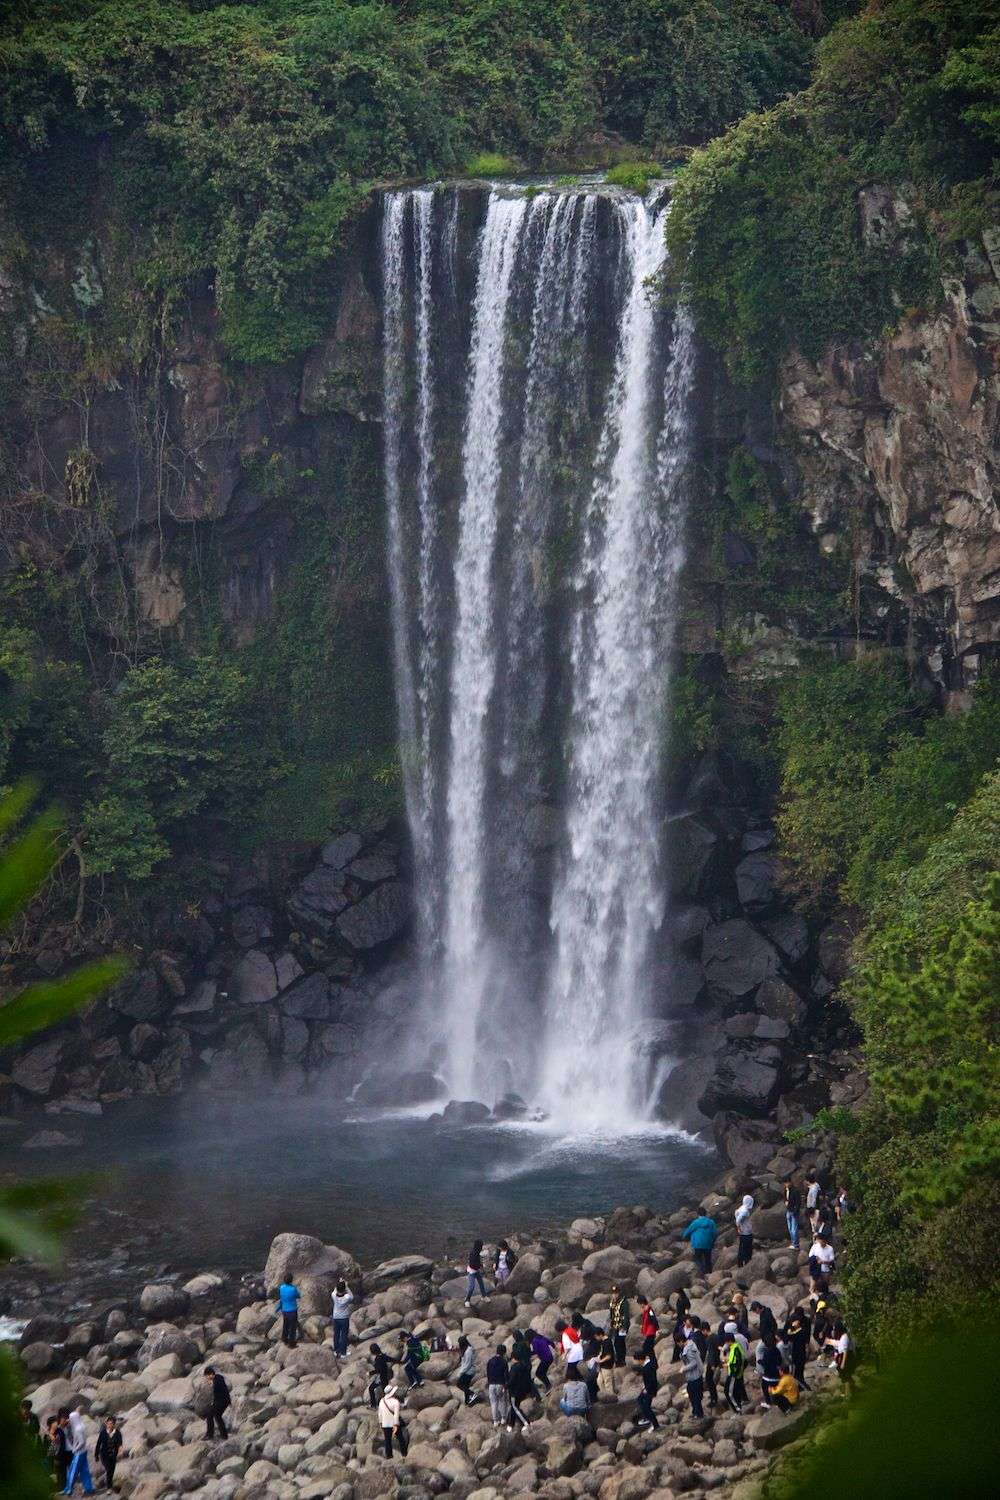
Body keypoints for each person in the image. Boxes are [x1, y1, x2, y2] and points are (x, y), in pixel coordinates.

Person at [63, 1406, 94, 1496]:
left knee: (73, 1471)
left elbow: (81, 1442)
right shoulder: (81, 1426)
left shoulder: (77, 1429)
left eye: (70, 1419)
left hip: (79, 1453)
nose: (69, 1420)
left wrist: (75, 1449)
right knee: (85, 1471)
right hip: (83, 1452)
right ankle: (88, 1488)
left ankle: (69, 1489)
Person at [559, 1365, 595, 1432]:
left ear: (568, 1377)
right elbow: (587, 1398)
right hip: (583, 1409)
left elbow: (565, 1398)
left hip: (571, 1410)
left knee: (562, 1401)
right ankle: (582, 1418)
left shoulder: (566, 1386)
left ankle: (570, 1418)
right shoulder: (584, 1384)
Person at [680, 1325, 705, 1418]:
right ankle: (696, 1412)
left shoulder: (689, 1349)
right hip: (694, 1376)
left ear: (681, 1341)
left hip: (694, 1376)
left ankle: (698, 1414)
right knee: (692, 1394)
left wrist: (684, 1368)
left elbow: (693, 1363)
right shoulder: (691, 1344)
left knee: (695, 1397)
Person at [783, 1306, 812, 1388]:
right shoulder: (791, 1319)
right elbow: (786, 1333)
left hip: (801, 1344)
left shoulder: (806, 1320)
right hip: (793, 1345)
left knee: (800, 1364)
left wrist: (807, 1343)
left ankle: (800, 1380)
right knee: (794, 1365)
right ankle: (796, 1382)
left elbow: (807, 1333)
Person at [723, 1324, 748, 1412]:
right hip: (735, 1372)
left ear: (729, 1341)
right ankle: (741, 1403)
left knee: (729, 1392)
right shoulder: (736, 1346)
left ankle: (738, 1409)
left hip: (734, 1374)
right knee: (736, 1389)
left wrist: (728, 1365)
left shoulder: (735, 1349)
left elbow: (737, 1362)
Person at [756, 1334, 785, 1408]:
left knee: (764, 1387)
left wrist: (759, 1361)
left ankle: (768, 1402)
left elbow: (765, 1363)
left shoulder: (767, 1352)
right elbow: (779, 1361)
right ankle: (779, 1402)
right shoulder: (776, 1350)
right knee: (777, 1388)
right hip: (776, 1373)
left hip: (768, 1375)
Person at [94, 1416, 122, 1490]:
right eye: (108, 1424)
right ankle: (109, 1487)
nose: (109, 1425)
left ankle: (110, 1484)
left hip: (113, 1456)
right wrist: (96, 1455)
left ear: (114, 1424)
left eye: (111, 1424)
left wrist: (120, 1451)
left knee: (112, 1471)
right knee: (108, 1469)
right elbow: (98, 1444)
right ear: (106, 1424)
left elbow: (120, 1444)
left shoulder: (117, 1433)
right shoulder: (103, 1433)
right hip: (104, 1455)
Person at [507, 1352, 534, 1430]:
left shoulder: (514, 1367)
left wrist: (506, 1386)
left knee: (515, 1407)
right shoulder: (524, 1366)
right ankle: (510, 1425)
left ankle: (526, 1422)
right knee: (514, 1406)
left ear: (513, 1358)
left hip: (514, 1391)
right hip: (523, 1391)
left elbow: (512, 1380)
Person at [635, 1348, 660, 1429]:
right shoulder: (648, 1365)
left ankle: (654, 1424)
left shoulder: (647, 1367)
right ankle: (647, 1418)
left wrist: (647, 1388)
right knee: (640, 1400)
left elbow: (652, 1379)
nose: (636, 1362)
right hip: (648, 1388)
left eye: (636, 1360)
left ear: (640, 1359)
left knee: (646, 1406)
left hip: (650, 1389)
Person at [377, 1383, 404, 1458]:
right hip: (394, 1424)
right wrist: (395, 1424)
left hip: (385, 1424)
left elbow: (380, 1414)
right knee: (401, 1439)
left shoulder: (381, 1401)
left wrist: (380, 1422)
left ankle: (389, 1456)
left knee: (387, 1441)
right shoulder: (396, 1402)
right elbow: (396, 1415)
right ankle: (404, 1454)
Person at [203, 1368, 231, 1439]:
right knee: (218, 1417)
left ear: (211, 1374)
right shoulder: (218, 1378)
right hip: (223, 1401)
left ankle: (209, 1435)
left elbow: (220, 1388)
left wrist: (212, 1384)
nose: (207, 1378)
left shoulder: (217, 1379)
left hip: (222, 1401)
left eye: (207, 1376)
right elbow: (219, 1392)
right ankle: (224, 1436)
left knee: (209, 1415)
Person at [486, 1344, 510, 1427]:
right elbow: (506, 1375)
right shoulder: (504, 1362)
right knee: (502, 1401)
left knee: (493, 1403)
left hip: (491, 1384)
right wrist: (506, 1384)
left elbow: (488, 1373)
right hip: (500, 1384)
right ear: (504, 1352)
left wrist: (489, 1382)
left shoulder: (490, 1361)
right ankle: (503, 1419)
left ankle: (495, 1421)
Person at [608, 1285, 630, 1365]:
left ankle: (622, 1359)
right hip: (615, 1326)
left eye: (616, 1293)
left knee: (620, 1342)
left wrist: (625, 1326)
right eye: (613, 1293)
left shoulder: (623, 1302)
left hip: (622, 1326)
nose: (614, 1295)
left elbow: (626, 1315)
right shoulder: (612, 1302)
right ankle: (619, 1358)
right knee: (616, 1343)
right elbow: (612, 1314)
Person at [331, 1279, 353, 1357]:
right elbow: (351, 1296)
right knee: (343, 1335)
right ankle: (343, 1353)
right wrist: (346, 1286)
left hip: (336, 1317)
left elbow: (335, 1289)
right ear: (344, 1290)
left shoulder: (333, 1295)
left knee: (336, 1334)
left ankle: (336, 1351)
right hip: (344, 1318)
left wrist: (339, 1282)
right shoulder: (347, 1297)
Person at [702, 1320, 721, 1410]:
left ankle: (714, 1399)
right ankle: (714, 1396)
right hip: (718, 1360)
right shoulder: (716, 1336)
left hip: (712, 1362)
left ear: (705, 1330)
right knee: (710, 1380)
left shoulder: (708, 1339)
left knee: (709, 1380)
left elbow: (711, 1352)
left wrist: (712, 1364)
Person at [49, 1413, 70, 1491]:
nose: (64, 1419)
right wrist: (53, 1439)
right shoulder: (56, 1426)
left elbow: (69, 1420)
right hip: (57, 1453)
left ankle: (63, 1487)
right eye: (63, 1418)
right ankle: (59, 1487)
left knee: (63, 1471)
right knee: (58, 1471)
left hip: (63, 1452)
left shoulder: (64, 1425)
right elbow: (50, 1434)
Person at [368, 1343, 393, 1407]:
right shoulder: (383, 1355)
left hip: (382, 1377)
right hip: (386, 1375)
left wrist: (370, 1373)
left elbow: (379, 1370)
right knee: (385, 1391)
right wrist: (401, 1361)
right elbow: (391, 1359)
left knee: (371, 1388)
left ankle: (373, 1405)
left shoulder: (378, 1359)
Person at [455, 1336, 478, 1405]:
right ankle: (468, 1401)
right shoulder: (465, 1350)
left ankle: (473, 1394)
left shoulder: (468, 1351)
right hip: (467, 1371)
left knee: (459, 1384)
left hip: (469, 1371)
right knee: (465, 1386)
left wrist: (460, 1373)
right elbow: (463, 1363)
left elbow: (468, 1364)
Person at [832, 1321, 855, 1390]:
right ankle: (852, 1388)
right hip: (843, 1356)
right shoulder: (842, 1336)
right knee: (845, 1375)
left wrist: (843, 1363)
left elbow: (845, 1351)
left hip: (846, 1357)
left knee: (845, 1376)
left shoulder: (844, 1337)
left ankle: (848, 1394)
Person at [277, 1277, 299, 1348]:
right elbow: (298, 1296)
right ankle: (291, 1344)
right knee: (292, 1327)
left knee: (285, 1325)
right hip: (292, 1310)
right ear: (291, 1280)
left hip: (284, 1310)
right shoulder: (293, 1289)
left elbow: (281, 1297)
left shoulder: (281, 1287)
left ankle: (284, 1339)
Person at [465, 1240, 488, 1305]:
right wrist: (480, 1266)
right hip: (471, 1272)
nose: (481, 1248)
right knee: (471, 1287)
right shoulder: (473, 1253)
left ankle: (484, 1296)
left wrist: (480, 1265)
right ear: (478, 1247)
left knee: (481, 1284)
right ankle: (467, 1300)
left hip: (476, 1271)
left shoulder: (477, 1252)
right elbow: (472, 1265)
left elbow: (477, 1262)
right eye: (481, 1246)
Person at [735, 1194, 754, 1267]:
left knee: (741, 1248)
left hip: (743, 1232)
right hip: (746, 1232)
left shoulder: (741, 1208)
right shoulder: (745, 1211)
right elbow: (738, 1219)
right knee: (747, 1249)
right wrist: (738, 1227)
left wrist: (738, 1228)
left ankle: (740, 1263)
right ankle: (747, 1262)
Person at [784, 1176, 801, 1250]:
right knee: (790, 1228)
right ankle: (793, 1242)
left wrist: (795, 1210)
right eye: (785, 1183)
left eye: (787, 1182)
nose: (786, 1184)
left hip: (794, 1211)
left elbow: (798, 1202)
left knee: (794, 1228)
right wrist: (785, 1202)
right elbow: (785, 1198)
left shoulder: (795, 1190)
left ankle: (796, 1244)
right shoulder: (785, 1190)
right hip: (788, 1210)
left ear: (790, 1182)